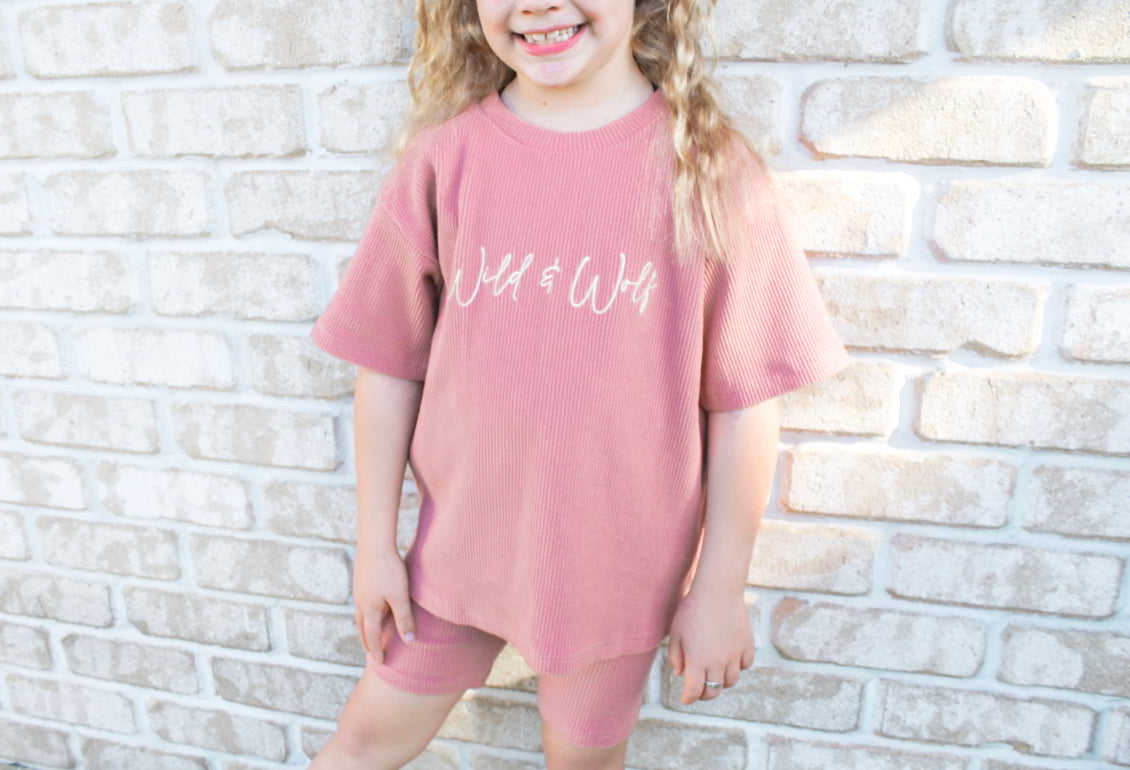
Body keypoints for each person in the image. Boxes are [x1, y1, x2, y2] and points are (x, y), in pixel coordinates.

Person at [306, 0, 849, 767]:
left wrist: (720, 588)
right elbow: (388, 364)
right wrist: (374, 546)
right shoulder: (445, 159)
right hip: (455, 552)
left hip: (615, 575)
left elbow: (745, 402)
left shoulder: (709, 170)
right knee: (361, 744)